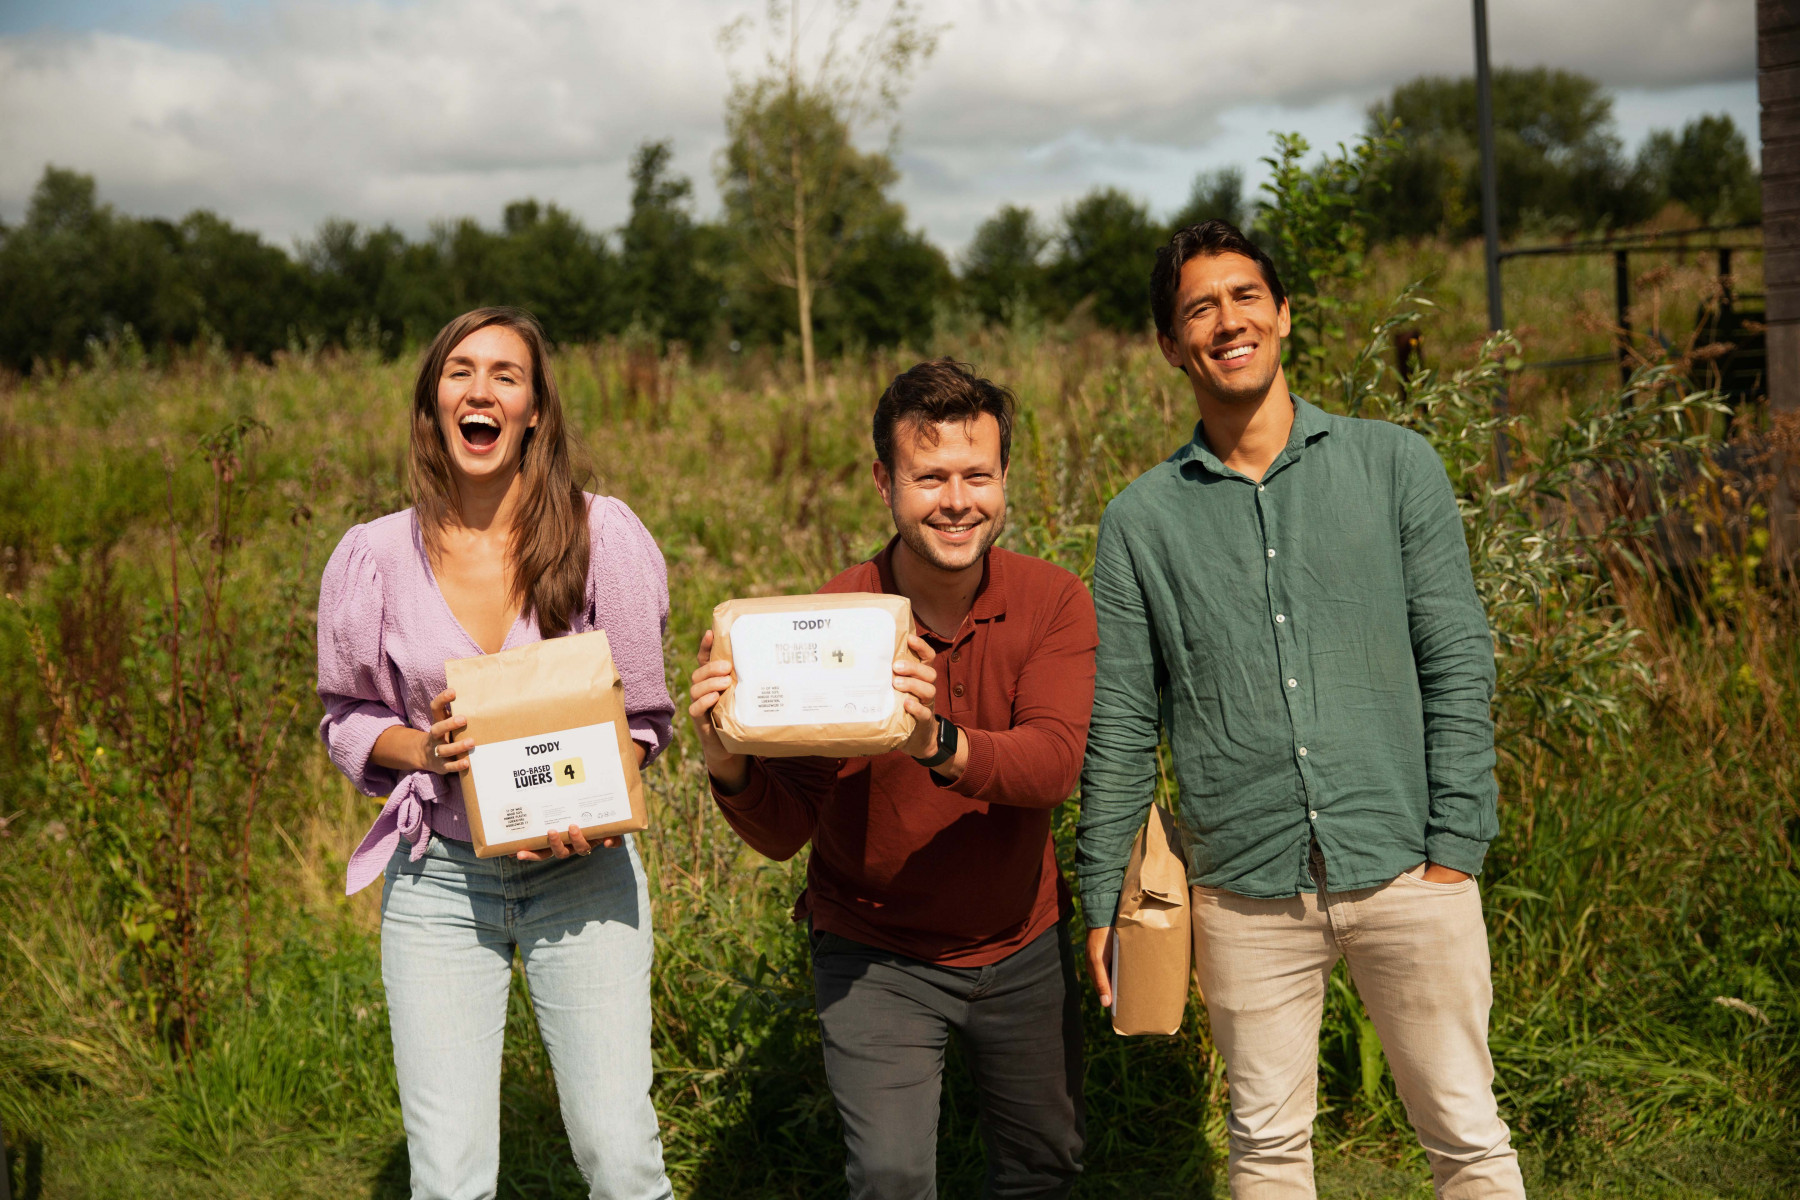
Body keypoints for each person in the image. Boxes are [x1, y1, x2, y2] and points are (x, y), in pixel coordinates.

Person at [1076, 221, 1526, 1199]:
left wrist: (1457, 846)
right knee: (1267, 1149)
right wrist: (1103, 891)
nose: (1227, 321)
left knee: (1466, 1135)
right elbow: (1120, 725)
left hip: (1408, 865)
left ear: (1283, 314)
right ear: (1170, 345)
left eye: (1245, 296)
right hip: (1241, 888)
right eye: (1199, 308)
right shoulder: (1139, 522)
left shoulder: (1396, 465)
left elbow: (1457, 659)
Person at [687, 359, 1097, 1200]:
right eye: (930, 477)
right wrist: (726, 758)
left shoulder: (1053, 600)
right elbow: (785, 831)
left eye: (978, 475)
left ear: (1005, 479)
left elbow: (1053, 765)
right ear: (885, 483)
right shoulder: (829, 619)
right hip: (874, 951)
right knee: (891, 1178)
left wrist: (930, 740)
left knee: (1045, 1167)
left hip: (1022, 941)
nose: (957, 501)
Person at [316, 306, 675, 1200]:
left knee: (620, 1159)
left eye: (506, 375)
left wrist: (591, 810)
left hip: (582, 873)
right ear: (433, 403)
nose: (481, 391)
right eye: (460, 372)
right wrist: (422, 749)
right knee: (448, 1178)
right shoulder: (373, 556)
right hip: (438, 881)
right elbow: (346, 713)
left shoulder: (602, 536)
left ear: (535, 411)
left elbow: (642, 717)